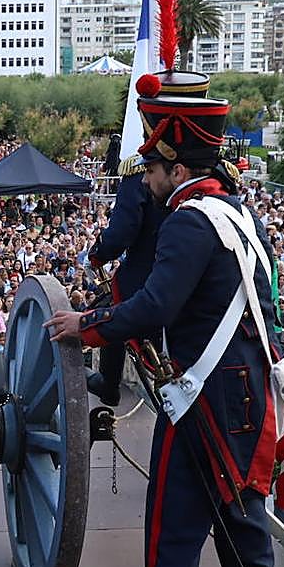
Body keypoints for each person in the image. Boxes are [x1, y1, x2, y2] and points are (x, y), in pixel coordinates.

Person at [45, 67, 282, 567]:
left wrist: (87, 325)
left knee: (173, 521)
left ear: (177, 168)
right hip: (249, 385)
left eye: (152, 167)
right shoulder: (240, 214)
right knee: (243, 504)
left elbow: (155, 305)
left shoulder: (187, 223)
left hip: (204, 393)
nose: (146, 177)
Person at [86, 148, 170, 406]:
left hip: (148, 276)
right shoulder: (216, 174)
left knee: (116, 306)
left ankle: (109, 384)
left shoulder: (137, 172)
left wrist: (98, 254)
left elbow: (122, 231)